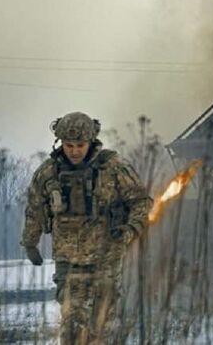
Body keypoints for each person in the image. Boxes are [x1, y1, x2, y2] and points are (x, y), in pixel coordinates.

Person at [21, 112, 152, 344]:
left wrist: (130, 231)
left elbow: (141, 202)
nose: (74, 151)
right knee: (72, 326)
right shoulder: (48, 173)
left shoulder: (113, 168)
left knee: (101, 327)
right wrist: (30, 242)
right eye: (68, 145)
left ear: (91, 141)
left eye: (80, 145)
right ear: (60, 142)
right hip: (68, 261)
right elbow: (35, 209)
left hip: (107, 259)